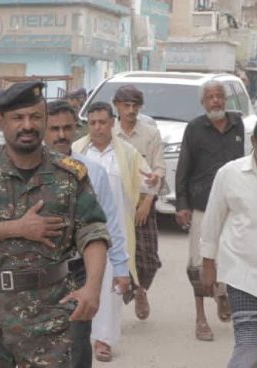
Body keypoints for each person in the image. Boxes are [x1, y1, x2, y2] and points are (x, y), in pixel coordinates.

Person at [0, 81, 110, 367]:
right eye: (18, 118)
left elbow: (93, 232)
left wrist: (92, 288)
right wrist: (15, 227)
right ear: (0, 121)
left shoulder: (69, 175)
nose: (27, 125)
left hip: (50, 318)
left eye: (35, 116)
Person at [45, 100, 130, 368]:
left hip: (76, 272)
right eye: (54, 128)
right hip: (36, 275)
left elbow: (109, 223)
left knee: (78, 343)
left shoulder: (92, 172)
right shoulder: (28, 170)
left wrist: (121, 267)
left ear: (75, 129)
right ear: (43, 130)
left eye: (67, 128)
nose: (61, 135)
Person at [72, 101, 156, 363]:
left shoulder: (127, 153)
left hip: (114, 228)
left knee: (111, 285)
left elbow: (149, 183)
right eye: (92, 123)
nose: (97, 127)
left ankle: (104, 340)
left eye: (102, 122)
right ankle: (81, 334)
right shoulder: (76, 151)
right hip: (81, 230)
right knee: (81, 280)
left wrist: (152, 183)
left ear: (112, 123)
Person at [200, 115, 257, 368]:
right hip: (244, 276)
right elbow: (212, 220)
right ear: (253, 142)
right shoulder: (230, 174)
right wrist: (208, 264)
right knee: (253, 344)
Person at [176, 80, 243, 341]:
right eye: (210, 97)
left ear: (225, 99)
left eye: (219, 96)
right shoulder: (194, 128)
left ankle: (223, 294)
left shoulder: (237, 125)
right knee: (199, 263)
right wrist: (182, 204)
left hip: (232, 205)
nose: (215, 101)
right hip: (202, 204)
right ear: (203, 103)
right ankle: (201, 318)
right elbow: (184, 166)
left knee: (232, 258)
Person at [112, 85, 165, 322]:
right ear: (117, 106)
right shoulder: (109, 132)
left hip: (144, 202)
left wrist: (148, 199)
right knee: (117, 256)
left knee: (149, 259)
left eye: (135, 105)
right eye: (126, 105)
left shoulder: (150, 134)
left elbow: (159, 169)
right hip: (115, 205)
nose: (131, 110)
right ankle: (114, 306)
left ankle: (141, 290)